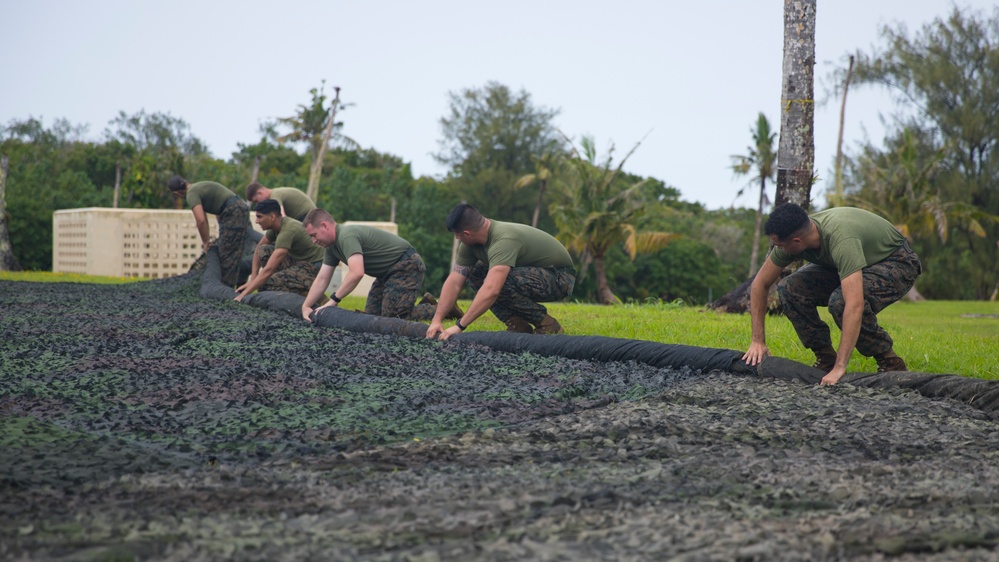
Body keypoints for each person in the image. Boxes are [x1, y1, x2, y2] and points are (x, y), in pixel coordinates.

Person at [742, 203, 922, 386]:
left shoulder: (841, 240)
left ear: (796, 242)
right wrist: (758, 341)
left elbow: (854, 305)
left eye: (780, 245)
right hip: (851, 263)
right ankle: (826, 358)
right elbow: (759, 284)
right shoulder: (798, 239)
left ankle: (890, 362)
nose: (778, 250)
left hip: (896, 261)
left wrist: (840, 367)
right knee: (789, 288)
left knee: (841, 302)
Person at [426, 203, 575, 341]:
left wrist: (459, 326)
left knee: (498, 281)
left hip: (559, 278)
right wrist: (436, 321)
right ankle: (518, 324)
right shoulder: (470, 244)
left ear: (466, 233)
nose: (456, 238)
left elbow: (492, 290)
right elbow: (455, 281)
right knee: (476, 271)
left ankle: (548, 325)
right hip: (529, 274)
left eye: (457, 235)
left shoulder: (503, 239)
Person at [299, 208, 460, 323]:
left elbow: (356, 273)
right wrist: (306, 306)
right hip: (386, 274)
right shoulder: (331, 248)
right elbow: (322, 279)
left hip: (406, 265)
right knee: (372, 316)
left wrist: (332, 301)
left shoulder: (346, 236)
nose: (313, 241)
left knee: (394, 318)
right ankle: (423, 303)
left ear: (325, 226)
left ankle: (444, 308)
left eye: (314, 235)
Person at [234, 199, 326, 302]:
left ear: (272, 217)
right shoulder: (275, 228)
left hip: (313, 266)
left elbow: (269, 270)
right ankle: (293, 285)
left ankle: (317, 297)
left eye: (259, 217)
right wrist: (253, 279)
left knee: (265, 284)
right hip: (298, 261)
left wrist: (244, 295)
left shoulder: (288, 230)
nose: (256, 221)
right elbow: (258, 250)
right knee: (263, 250)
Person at [167, 175, 250, 287]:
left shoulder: (191, 193)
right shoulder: (199, 187)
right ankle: (240, 288)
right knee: (237, 250)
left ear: (176, 193)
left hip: (233, 211)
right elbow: (218, 206)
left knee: (226, 254)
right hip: (239, 207)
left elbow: (201, 220)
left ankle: (226, 291)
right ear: (185, 181)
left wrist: (206, 242)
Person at [245, 182, 316, 222]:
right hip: (307, 216)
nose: (258, 204)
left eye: (256, 201)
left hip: (308, 217)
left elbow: (282, 218)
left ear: (260, 193)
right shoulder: (275, 193)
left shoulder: (275, 196)